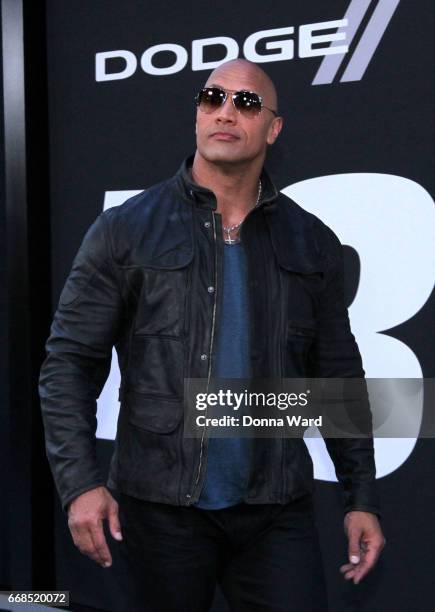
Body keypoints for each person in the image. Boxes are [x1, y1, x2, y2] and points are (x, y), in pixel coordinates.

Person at [39, 58, 385, 611]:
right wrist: (79, 483)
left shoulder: (312, 242)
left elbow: (338, 374)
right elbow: (69, 364)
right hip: (157, 512)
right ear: (197, 113)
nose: (226, 112)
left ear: (273, 128)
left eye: (246, 103)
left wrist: (360, 498)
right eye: (211, 98)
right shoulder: (126, 230)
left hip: (276, 510)